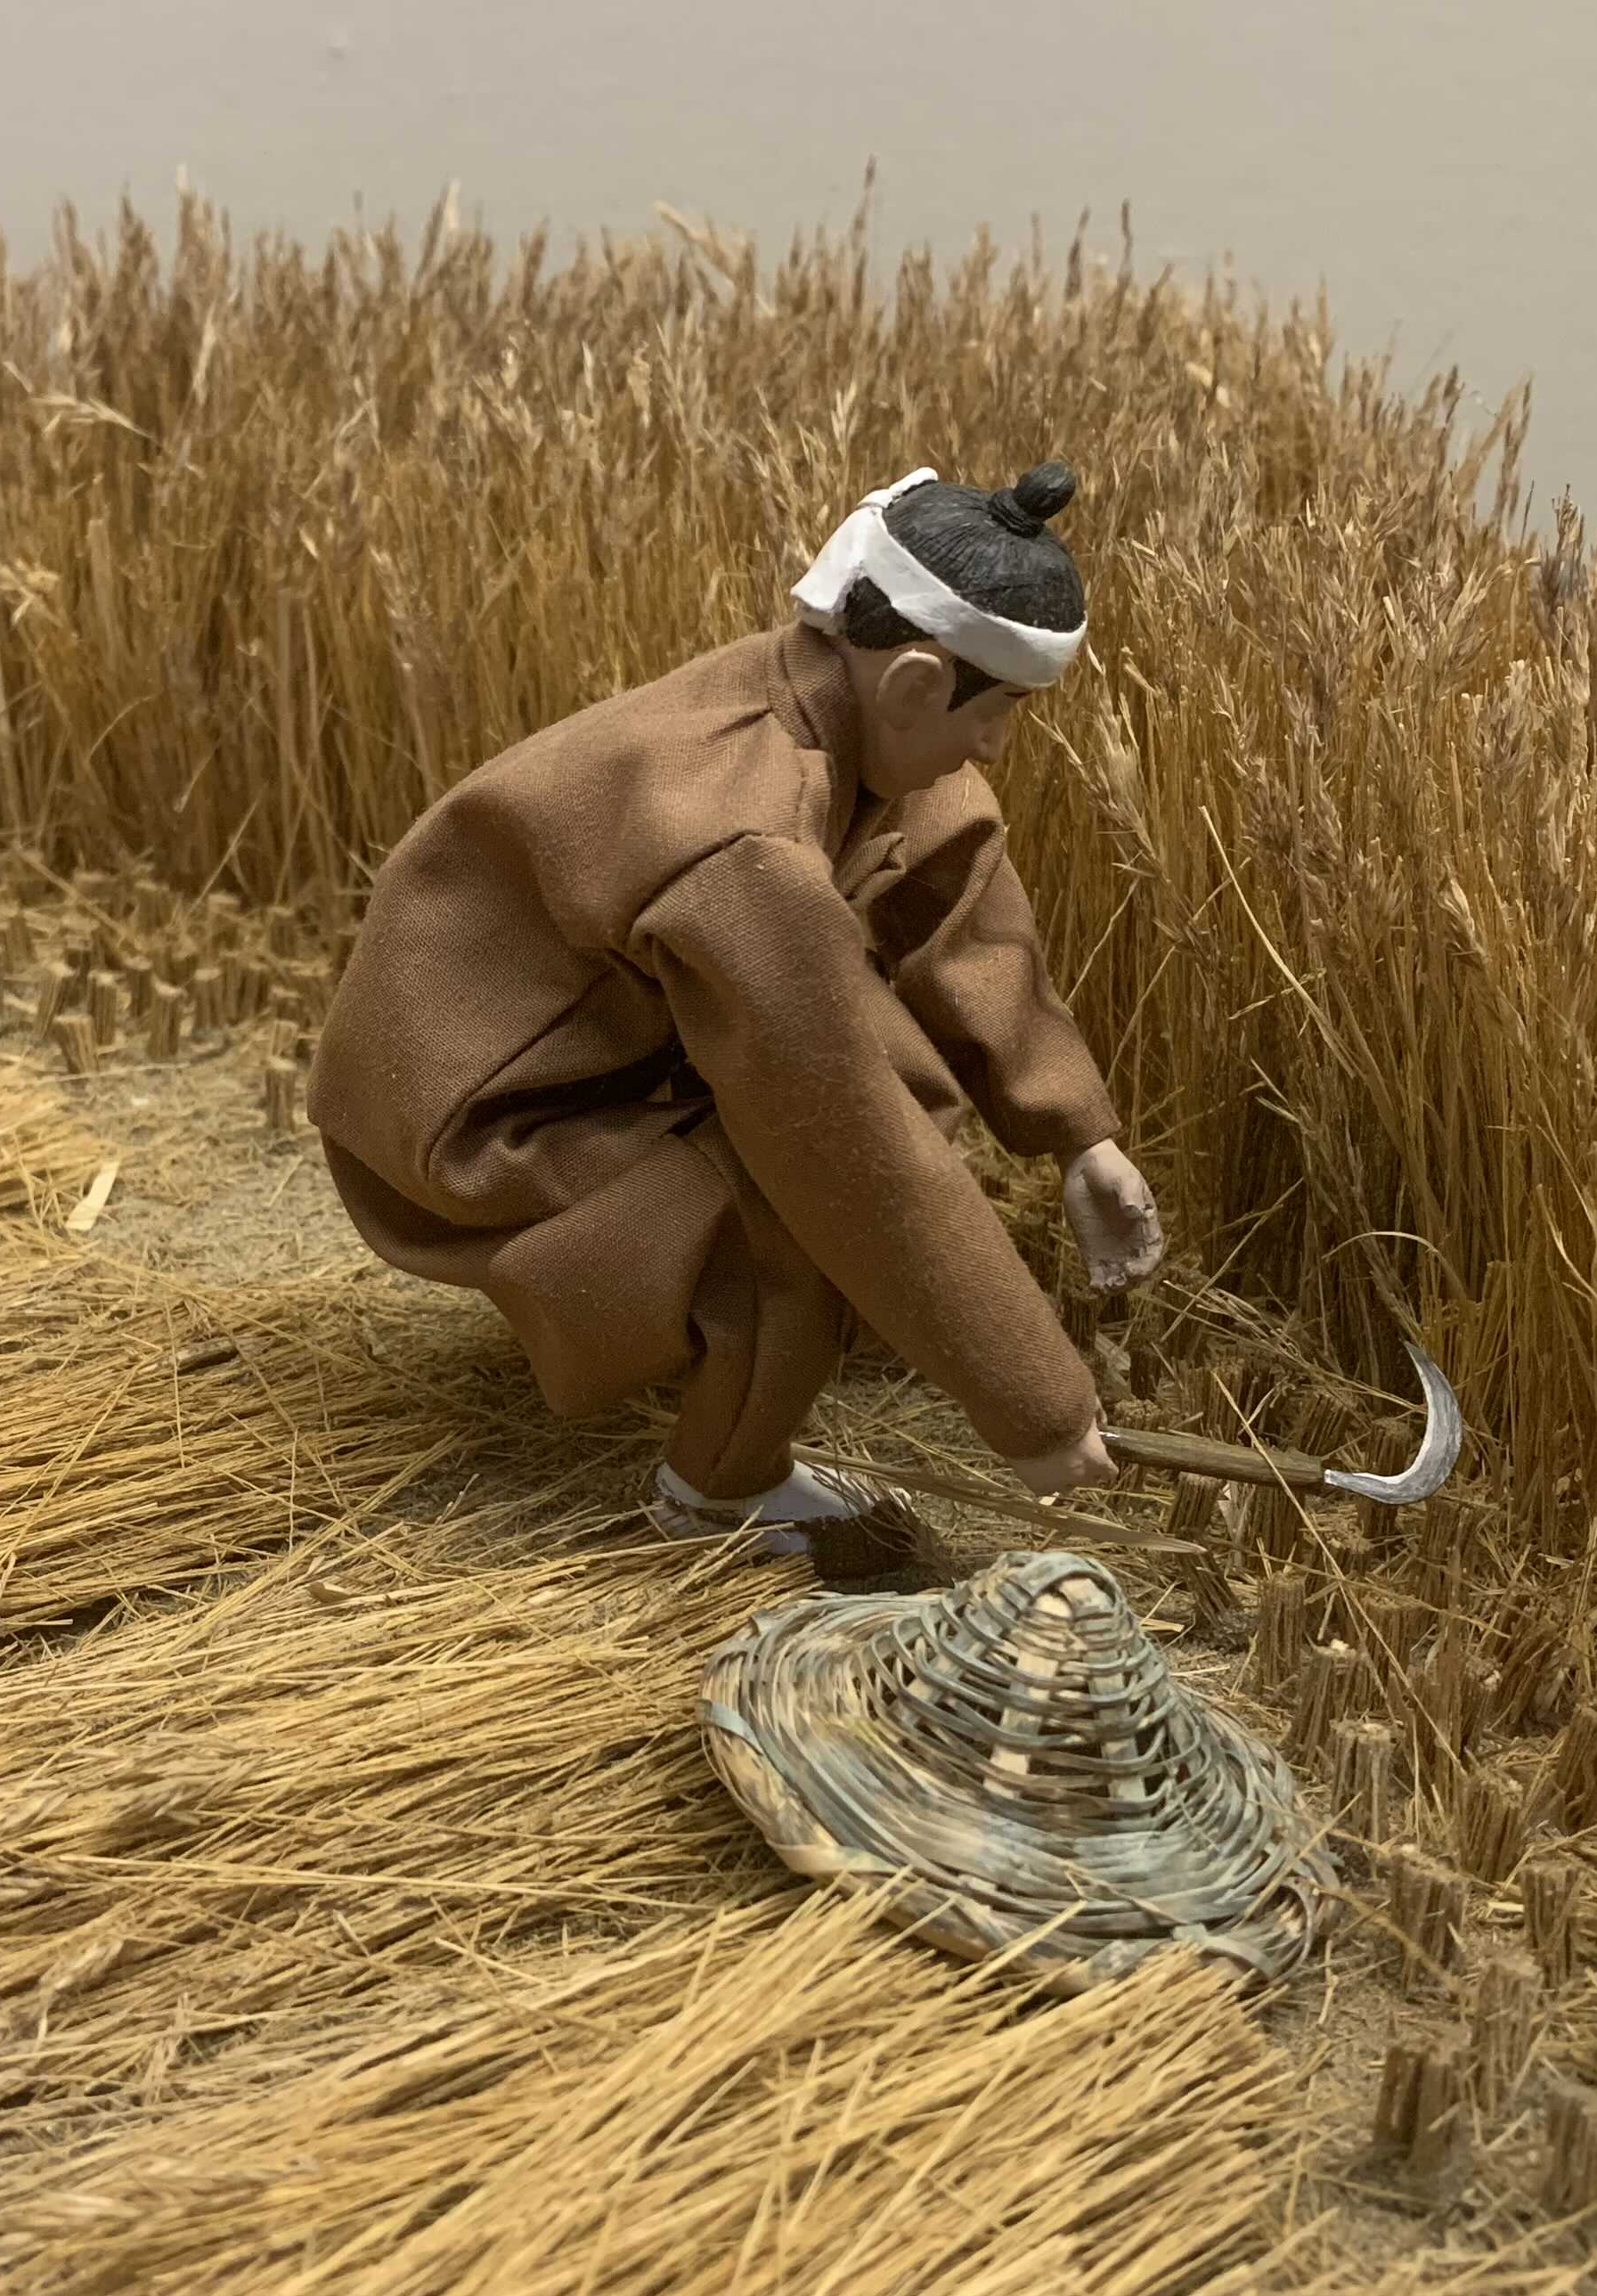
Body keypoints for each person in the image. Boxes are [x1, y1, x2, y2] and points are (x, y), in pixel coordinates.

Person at [309, 463, 1163, 1572]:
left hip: (580, 1048)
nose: (997, 747)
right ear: (915, 680)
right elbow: (842, 1145)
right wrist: (1036, 1407)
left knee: (873, 1099)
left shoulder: (831, 702)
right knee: (791, 1214)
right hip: (465, 1118)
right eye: (996, 711)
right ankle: (718, 1491)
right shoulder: (743, 843)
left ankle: (694, 1312)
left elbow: (959, 899)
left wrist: (1077, 1135)